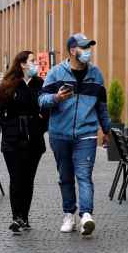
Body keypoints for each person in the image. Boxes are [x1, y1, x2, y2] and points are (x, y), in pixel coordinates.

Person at [39, 33, 111, 236]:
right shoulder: (55, 73)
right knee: (65, 177)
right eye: (84, 47)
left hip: (86, 133)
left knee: (84, 175)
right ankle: (69, 214)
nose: (88, 51)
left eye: (89, 47)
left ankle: (86, 215)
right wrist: (56, 97)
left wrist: (106, 129)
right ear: (72, 50)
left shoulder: (96, 74)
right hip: (59, 134)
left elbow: (102, 106)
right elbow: (41, 101)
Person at [0, 51, 47, 234]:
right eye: (32, 61)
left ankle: (25, 216)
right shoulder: (8, 85)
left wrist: (40, 127)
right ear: (22, 64)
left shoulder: (40, 84)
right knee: (16, 178)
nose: (35, 64)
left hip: (34, 138)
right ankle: (16, 217)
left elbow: (47, 109)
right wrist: (10, 128)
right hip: (13, 141)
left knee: (28, 179)